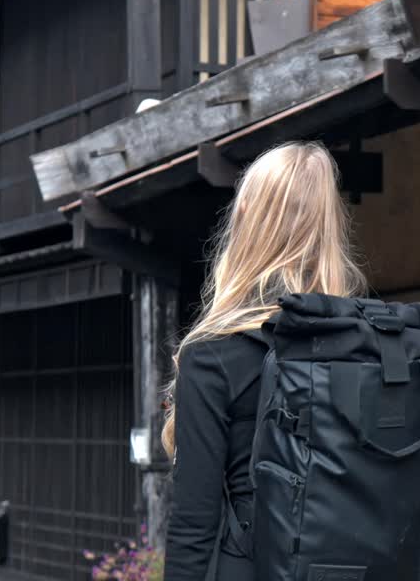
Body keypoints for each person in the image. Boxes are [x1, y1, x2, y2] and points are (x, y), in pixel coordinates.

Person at [162, 141, 367, 581]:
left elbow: (194, 524)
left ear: (247, 225)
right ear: (328, 226)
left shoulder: (213, 355)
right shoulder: (368, 347)